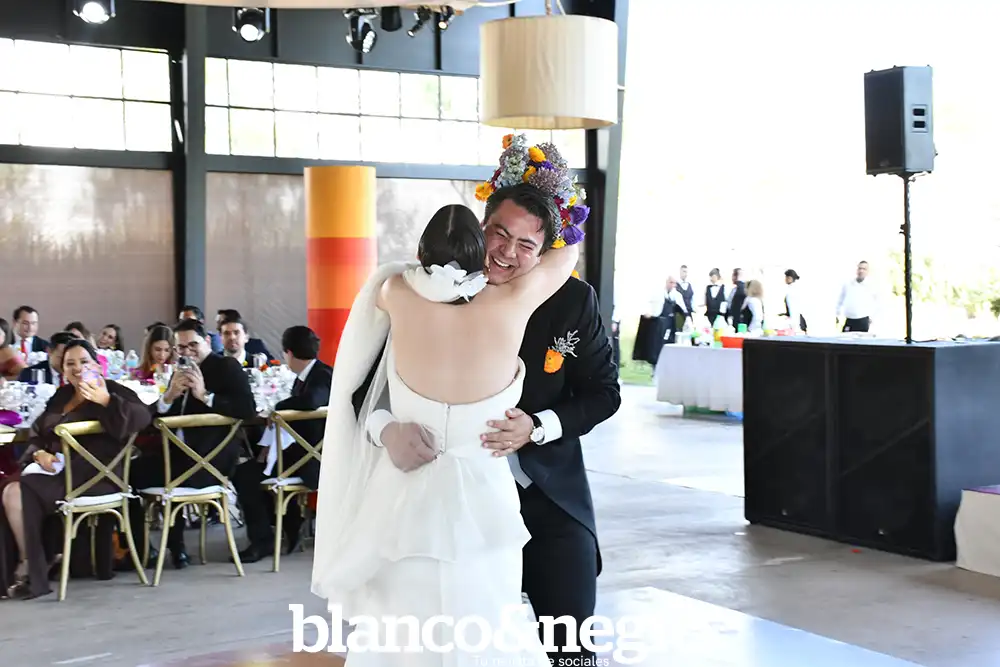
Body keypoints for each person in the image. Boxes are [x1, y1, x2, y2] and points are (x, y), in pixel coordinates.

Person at [313, 135, 591, 667]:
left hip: (438, 500)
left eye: (525, 244)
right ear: (481, 232)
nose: (508, 252)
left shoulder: (394, 292)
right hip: (479, 497)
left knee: (405, 634)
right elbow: (356, 391)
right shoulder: (517, 300)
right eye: (498, 234)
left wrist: (539, 425)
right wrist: (384, 428)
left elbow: (602, 393)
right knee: (480, 630)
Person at [0, 339, 152, 599]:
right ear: (63, 370)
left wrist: (106, 400)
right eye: (70, 364)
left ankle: (30, 569)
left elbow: (142, 418)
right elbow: (38, 430)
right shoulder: (62, 395)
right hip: (58, 470)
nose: (78, 368)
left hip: (97, 475)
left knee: (19, 491)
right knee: (9, 489)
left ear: (98, 366)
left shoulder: (114, 390)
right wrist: (38, 453)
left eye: (84, 362)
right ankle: (27, 564)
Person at [234, 325, 330, 562]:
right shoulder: (308, 376)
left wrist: (278, 408)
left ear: (289, 353)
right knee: (254, 469)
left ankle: (266, 539)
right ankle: (289, 522)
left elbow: (311, 401)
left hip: (315, 461)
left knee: (245, 475)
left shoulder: (322, 375)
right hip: (302, 453)